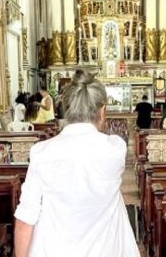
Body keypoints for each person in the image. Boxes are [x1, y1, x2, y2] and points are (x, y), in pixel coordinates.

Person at [14, 71, 140, 257]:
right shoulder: (115, 149)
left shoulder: (42, 152)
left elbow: (26, 218)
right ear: (102, 111)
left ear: (65, 108)